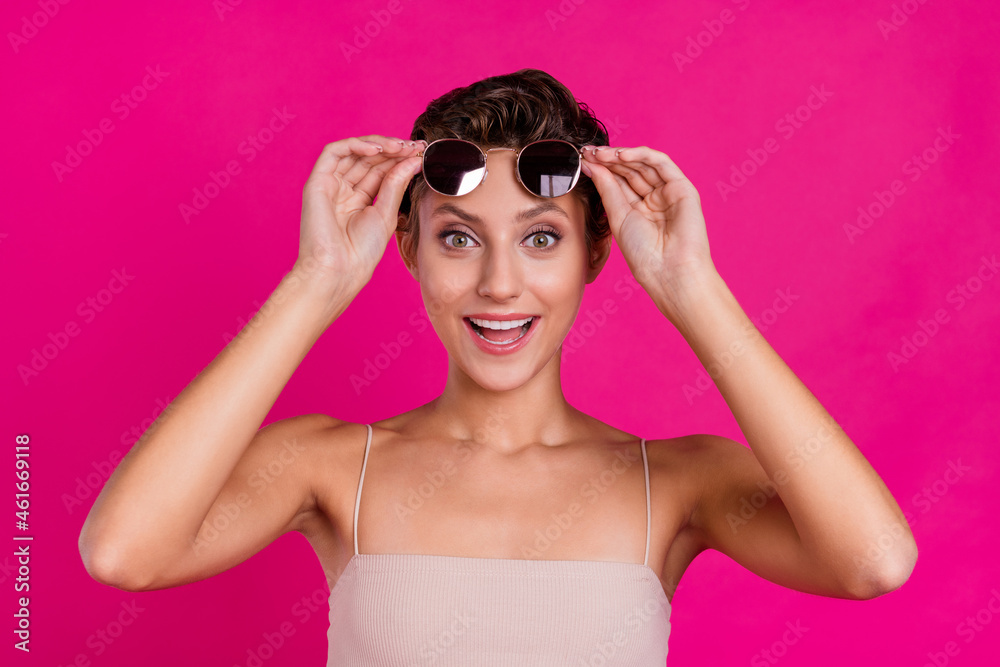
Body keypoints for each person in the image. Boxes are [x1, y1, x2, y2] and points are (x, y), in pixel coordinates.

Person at [79, 68, 918, 665]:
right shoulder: (333, 465)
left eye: (542, 237)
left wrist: (690, 291)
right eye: (457, 236)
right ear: (407, 246)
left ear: (597, 252)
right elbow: (123, 552)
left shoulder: (679, 482)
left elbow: (873, 560)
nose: (499, 282)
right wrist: (315, 284)